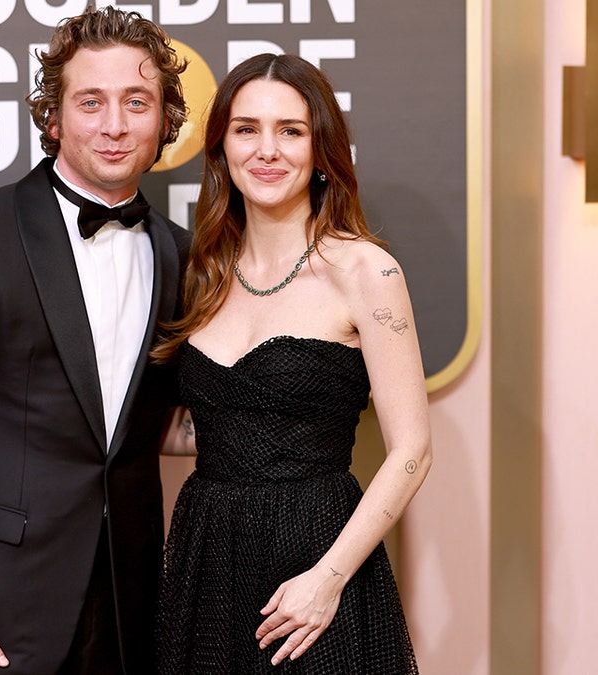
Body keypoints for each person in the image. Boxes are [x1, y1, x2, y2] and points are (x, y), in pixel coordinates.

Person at [0, 7, 190, 674]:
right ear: (54, 119)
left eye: (136, 101)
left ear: (165, 120)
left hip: (133, 602)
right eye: (92, 101)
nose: (115, 125)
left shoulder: (180, 253)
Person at [153, 53, 430, 674]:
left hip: (317, 554)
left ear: (321, 149)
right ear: (221, 147)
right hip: (208, 557)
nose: (267, 150)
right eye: (247, 129)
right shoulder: (201, 274)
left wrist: (326, 580)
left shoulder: (367, 271)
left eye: (291, 130)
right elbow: (208, 422)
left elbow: (412, 450)